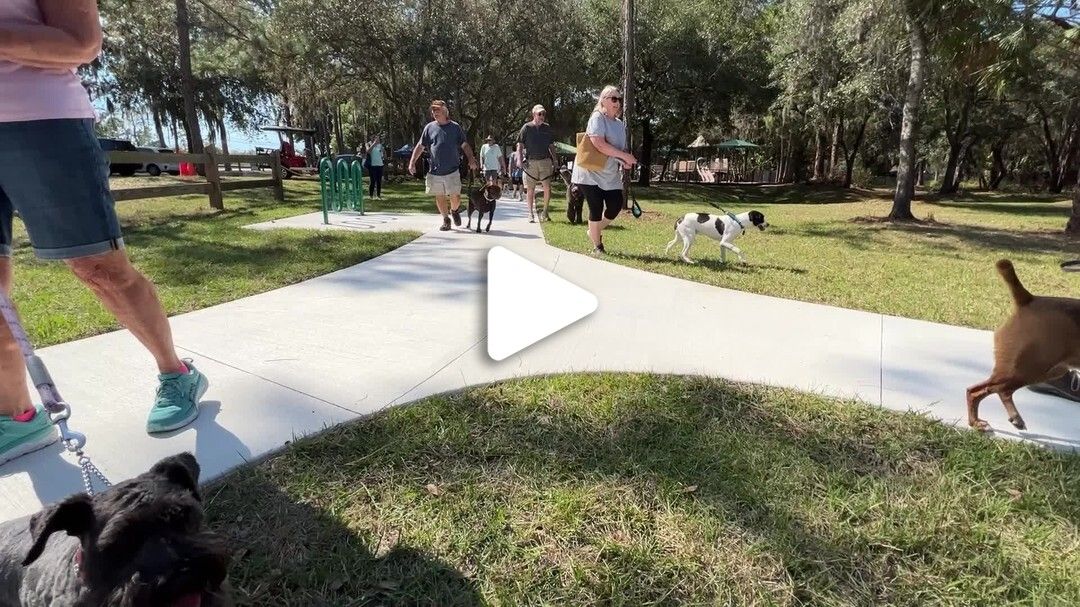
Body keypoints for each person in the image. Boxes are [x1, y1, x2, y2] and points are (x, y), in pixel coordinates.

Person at [0, 0, 209, 465]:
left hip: (40, 120)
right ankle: (17, 417)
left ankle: (177, 373)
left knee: (99, 268)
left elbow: (81, 41)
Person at [570, 85, 637, 256]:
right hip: (589, 172)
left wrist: (624, 161)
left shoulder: (620, 124)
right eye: (613, 99)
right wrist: (623, 155)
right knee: (596, 207)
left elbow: (617, 149)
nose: (618, 102)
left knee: (615, 204)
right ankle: (598, 246)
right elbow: (598, 144)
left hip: (609, 173)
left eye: (619, 99)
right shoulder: (597, 117)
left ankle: (593, 230)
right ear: (603, 101)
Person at [408, 100, 478, 231]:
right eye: (433, 111)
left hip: (452, 169)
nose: (434, 113)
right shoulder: (429, 128)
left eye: (437, 110)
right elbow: (420, 146)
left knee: (455, 196)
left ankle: (454, 210)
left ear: (445, 112)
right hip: (435, 170)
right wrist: (412, 162)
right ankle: (446, 219)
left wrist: (471, 159)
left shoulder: (455, 127)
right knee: (439, 195)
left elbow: (465, 145)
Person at [517, 104, 559, 223]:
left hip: (545, 161)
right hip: (531, 162)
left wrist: (555, 161)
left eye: (543, 114)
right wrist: (520, 160)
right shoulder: (526, 127)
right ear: (534, 114)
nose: (542, 116)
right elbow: (520, 145)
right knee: (530, 189)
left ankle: (545, 212)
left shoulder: (547, 128)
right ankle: (530, 214)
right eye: (539, 114)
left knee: (547, 188)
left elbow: (551, 146)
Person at [366, 135, 385, 199]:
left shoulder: (380, 145)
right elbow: (368, 151)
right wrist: (374, 144)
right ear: (372, 138)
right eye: (375, 138)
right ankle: (371, 195)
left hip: (380, 164)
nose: (377, 139)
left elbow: (382, 155)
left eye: (378, 138)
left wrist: (383, 152)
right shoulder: (368, 144)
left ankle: (378, 195)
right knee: (373, 180)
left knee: (379, 181)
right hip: (372, 165)